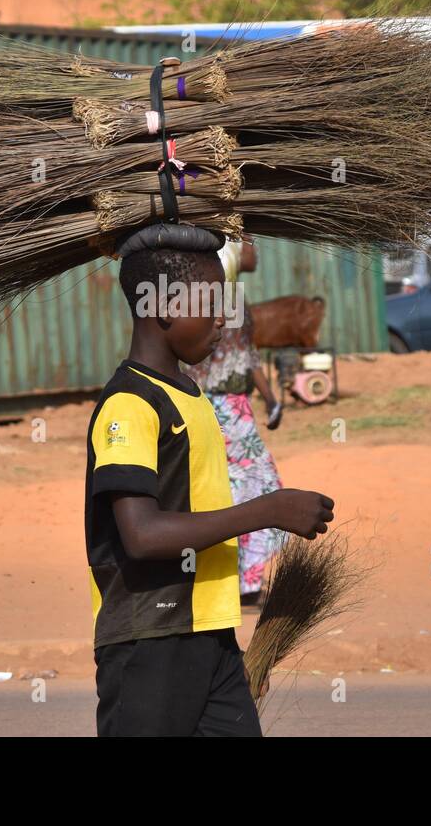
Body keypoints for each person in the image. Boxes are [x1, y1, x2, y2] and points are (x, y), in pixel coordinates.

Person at [86, 224, 334, 737]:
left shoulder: (190, 396)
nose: (225, 317)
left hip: (209, 633)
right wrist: (267, 510)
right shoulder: (129, 405)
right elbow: (142, 534)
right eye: (211, 303)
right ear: (165, 308)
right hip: (150, 638)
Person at [186, 237, 287, 606]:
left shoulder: (224, 296)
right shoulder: (221, 298)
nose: (256, 251)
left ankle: (239, 581)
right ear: (234, 250)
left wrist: (271, 398)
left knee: (236, 491)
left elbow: (246, 357)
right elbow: (230, 358)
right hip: (224, 409)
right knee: (248, 492)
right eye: (251, 244)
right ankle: (244, 585)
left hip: (230, 405)